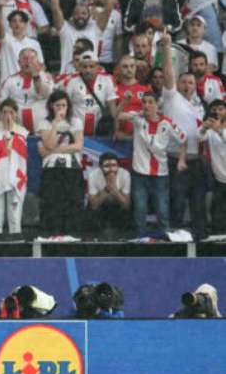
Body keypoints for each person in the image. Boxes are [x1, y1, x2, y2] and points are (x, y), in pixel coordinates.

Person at [117, 92, 186, 234]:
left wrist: (182, 159)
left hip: (161, 174)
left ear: (157, 105)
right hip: (139, 173)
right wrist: (125, 101)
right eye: (144, 102)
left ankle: (165, 238)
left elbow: (183, 140)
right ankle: (141, 238)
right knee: (140, 208)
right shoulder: (138, 118)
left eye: (150, 102)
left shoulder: (167, 123)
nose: (146, 105)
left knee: (162, 209)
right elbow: (117, 115)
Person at [160, 33, 208, 239]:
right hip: (176, 160)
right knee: (177, 201)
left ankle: (199, 238)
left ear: (196, 85)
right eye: (183, 82)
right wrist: (166, 49)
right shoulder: (172, 99)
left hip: (197, 161)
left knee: (198, 202)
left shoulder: (202, 105)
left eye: (191, 82)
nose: (187, 85)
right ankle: (176, 239)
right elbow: (168, 75)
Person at [37, 91, 85, 236]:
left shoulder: (76, 121)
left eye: (64, 105)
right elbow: (49, 144)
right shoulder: (44, 123)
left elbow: (78, 146)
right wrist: (56, 124)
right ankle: (52, 235)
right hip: (52, 169)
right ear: (51, 106)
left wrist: (55, 150)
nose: (61, 108)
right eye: (58, 105)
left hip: (72, 168)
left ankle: (72, 235)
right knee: (52, 203)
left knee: (72, 203)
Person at [0, 98, 28, 234]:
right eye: (4, 112)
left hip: (16, 175)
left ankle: (16, 240)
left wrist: (10, 133)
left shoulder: (23, 132)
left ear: (16, 114)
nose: (8, 116)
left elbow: (18, 151)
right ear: (0, 114)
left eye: (11, 112)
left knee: (15, 214)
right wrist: (6, 135)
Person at [0, 47, 53, 133]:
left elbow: (47, 94)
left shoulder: (46, 77)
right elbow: (1, 104)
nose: (28, 61)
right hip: (16, 131)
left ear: (38, 61)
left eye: (32, 58)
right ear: (19, 63)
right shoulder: (10, 81)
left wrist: (36, 76)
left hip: (42, 131)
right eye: (24, 59)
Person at [87, 152, 132, 237]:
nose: (111, 169)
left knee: (128, 211)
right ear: (100, 167)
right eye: (107, 166)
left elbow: (126, 205)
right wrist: (107, 189)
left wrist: (115, 189)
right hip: (101, 205)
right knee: (90, 210)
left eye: (114, 165)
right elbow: (93, 205)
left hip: (117, 205)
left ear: (118, 166)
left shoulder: (125, 174)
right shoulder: (93, 175)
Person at [0, 9, 44, 84]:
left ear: (26, 24)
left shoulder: (34, 43)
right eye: (14, 21)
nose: (17, 23)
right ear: (9, 24)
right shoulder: (6, 40)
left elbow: (41, 65)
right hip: (8, 84)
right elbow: (0, 28)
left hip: (29, 85)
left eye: (21, 21)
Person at [199, 101, 226, 233]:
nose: (217, 112)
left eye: (221, 109)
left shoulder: (217, 130)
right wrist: (204, 127)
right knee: (217, 211)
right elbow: (198, 138)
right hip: (219, 178)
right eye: (215, 110)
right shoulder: (210, 130)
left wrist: (219, 131)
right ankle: (218, 238)